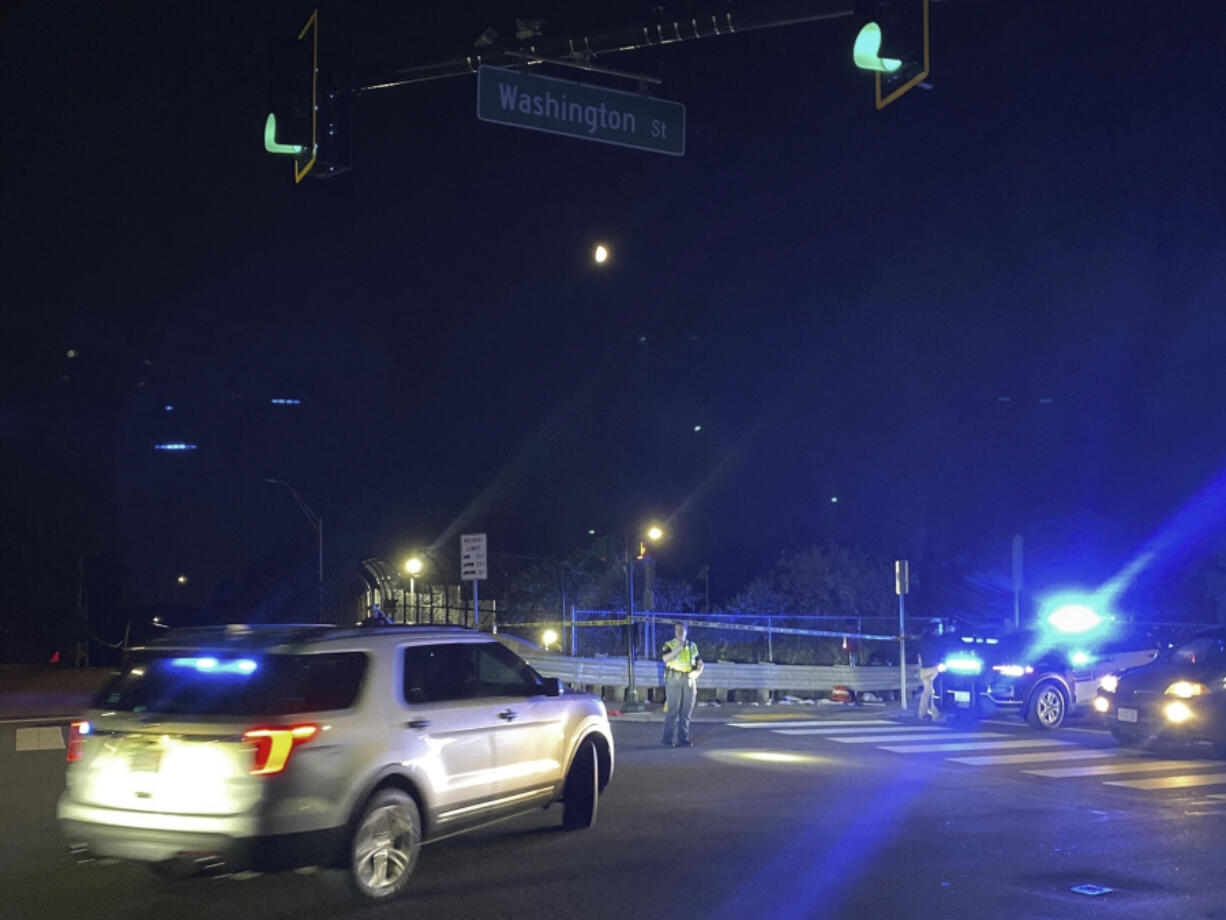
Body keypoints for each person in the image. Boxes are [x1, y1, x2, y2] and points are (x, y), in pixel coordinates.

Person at [660, 621, 703, 747]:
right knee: (672, 710)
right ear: (674, 632)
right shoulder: (669, 644)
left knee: (686, 711)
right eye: (677, 630)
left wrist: (698, 671)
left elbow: (699, 661)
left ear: (686, 631)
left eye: (682, 630)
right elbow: (665, 658)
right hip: (674, 679)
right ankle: (667, 740)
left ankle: (683, 739)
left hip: (689, 679)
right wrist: (679, 647)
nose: (679, 632)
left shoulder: (692, 645)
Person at [916, 620, 945, 722]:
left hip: (924, 669)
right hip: (934, 668)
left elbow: (919, 654)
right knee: (933, 692)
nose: (940, 631)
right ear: (935, 630)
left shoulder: (923, 639)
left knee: (926, 692)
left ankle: (922, 713)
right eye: (939, 629)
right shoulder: (936, 641)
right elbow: (940, 654)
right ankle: (935, 714)